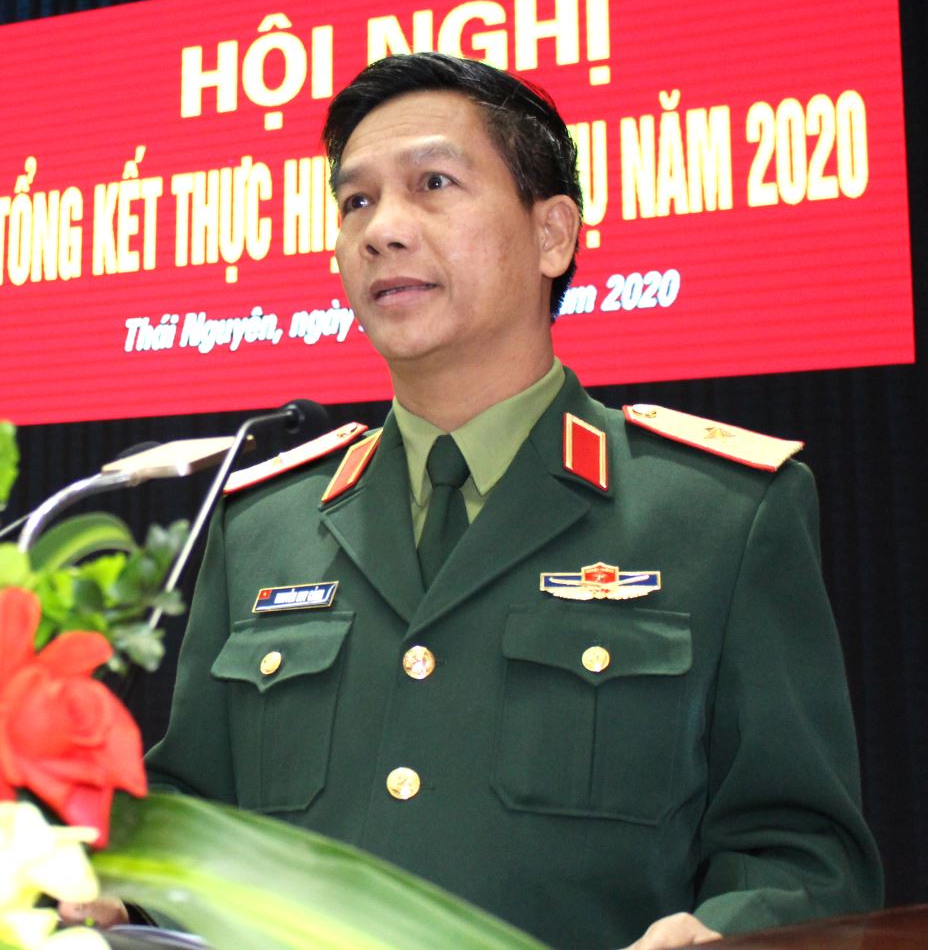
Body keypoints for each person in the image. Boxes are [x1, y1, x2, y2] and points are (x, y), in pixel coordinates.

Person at [110, 54, 881, 948]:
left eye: (433, 183)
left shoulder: (720, 513)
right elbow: (193, 825)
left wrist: (725, 931)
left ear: (553, 234)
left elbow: (803, 856)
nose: (381, 230)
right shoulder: (262, 525)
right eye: (355, 201)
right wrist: (123, 898)